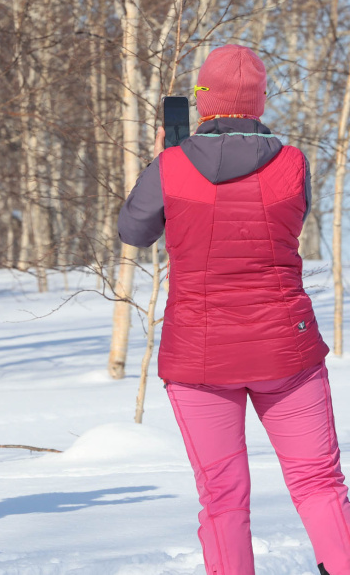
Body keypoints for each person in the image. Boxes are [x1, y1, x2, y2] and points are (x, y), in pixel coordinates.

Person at [119, 44, 350, 575]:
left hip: (200, 358)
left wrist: (163, 163)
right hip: (286, 351)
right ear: (259, 101)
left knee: (222, 497)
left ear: (203, 101)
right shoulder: (293, 162)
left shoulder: (173, 166)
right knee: (318, 482)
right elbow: (290, 218)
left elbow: (134, 232)